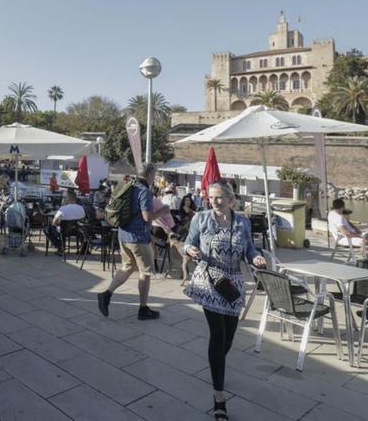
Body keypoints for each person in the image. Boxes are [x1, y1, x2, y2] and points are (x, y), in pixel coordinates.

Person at [182, 181, 267, 420]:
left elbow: (249, 248)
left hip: (234, 283)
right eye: (211, 197)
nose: (215, 201)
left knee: (229, 336)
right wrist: (191, 251)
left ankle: (217, 363)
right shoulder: (202, 218)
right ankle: (219, 397)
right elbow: (188, 242)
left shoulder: (242, 222)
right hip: (209, 280)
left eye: (219, 198)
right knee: (218, 334)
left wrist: (257, 258)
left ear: (231, 200)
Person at [97, 163, 168, 321]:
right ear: (150, 175)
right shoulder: (144, 191)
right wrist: (164, 210)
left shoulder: (128, 185)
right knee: (145, 273)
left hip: (123, 234)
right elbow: (147, 217)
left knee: (127, 268)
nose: (154, 179)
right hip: (139, 238)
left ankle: (106, 294)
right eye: (154, 175)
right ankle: (143, 310)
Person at [46, 188, 86, 255]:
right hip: (77, 231)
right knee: (59, 228)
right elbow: (83, 219)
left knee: (48, 229)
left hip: (64, 231)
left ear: (67, 198)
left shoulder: (63, 209)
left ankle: (60, 246)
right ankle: (81, 249)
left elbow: (54, 222)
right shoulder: (81, 208)